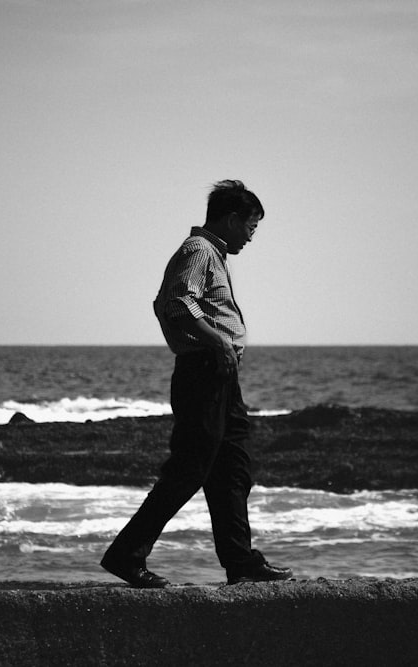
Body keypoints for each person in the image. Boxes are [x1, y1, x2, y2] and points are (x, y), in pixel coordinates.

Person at [101, 180, 292, 588]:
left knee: (232, 472)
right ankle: (125, 554)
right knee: (188, 470)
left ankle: (240, 562)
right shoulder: (199, 251)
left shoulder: (213, 255)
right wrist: (216, 341)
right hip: (204, 372)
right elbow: (175, 303)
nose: (252, 235)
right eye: (251, 226)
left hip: (220, 376)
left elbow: (165, 304)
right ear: (231, 218)